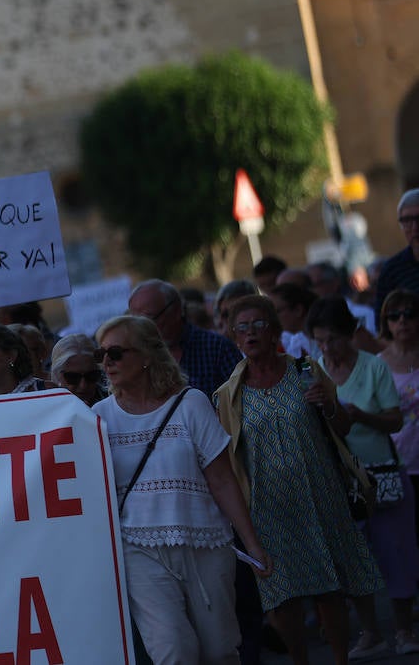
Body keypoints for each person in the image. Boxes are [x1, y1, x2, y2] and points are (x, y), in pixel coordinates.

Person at [215, 295, 384, 665]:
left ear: (275, 330)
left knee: (331, 588)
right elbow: (229, 460)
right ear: (234, 337)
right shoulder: (230, 394)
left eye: (258, 324)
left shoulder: (305, 370)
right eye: (242, 327)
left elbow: (341, 428)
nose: (250, 333)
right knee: (282, 596)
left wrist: (329, 405)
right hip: (267, 506)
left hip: (320, 493)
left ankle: (340, 659)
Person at [92, 315, 268, 664]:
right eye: (102, 354)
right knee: (174, 651)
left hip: (205, 543)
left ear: (145, 356)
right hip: (139, 549)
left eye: (115, 352)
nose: (107, 362)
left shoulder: (191, 404)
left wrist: (252, 544)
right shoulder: (97, 417)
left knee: (220, 650)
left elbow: (222, 479)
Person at [307, 295, 419, 659]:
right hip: (340, 479)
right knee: (355, 559)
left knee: (395, 552)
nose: (327, 348)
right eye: (320, 340)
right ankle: (371, 631)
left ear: (351, 333)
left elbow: (395, 420)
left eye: (333, 339)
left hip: (381, 473)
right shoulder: (314, 371)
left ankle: (404, 628)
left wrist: (358, 415)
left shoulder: (374, 367)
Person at [129, 279, 238, 396]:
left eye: (148, 319)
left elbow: (239, 402)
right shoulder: (132, 356)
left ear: (176, 311)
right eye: (135, 322)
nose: (142, 329)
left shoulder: (217, 348)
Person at [375, 189, 419, 315]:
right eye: (407, 221)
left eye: (418, 218)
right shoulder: (392, 270)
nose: (415, 227)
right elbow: (381, 321)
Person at [49, 333, 104, 406]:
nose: (83, 385)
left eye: (91, 376)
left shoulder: (113, 404)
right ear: (57, 375)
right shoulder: (47, 411)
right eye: (73, 377)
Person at [269, 282, 316, 360]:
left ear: (298, 310)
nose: (271, 318)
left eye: (276, 312)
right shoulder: (295, 343)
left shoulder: (325, 340)